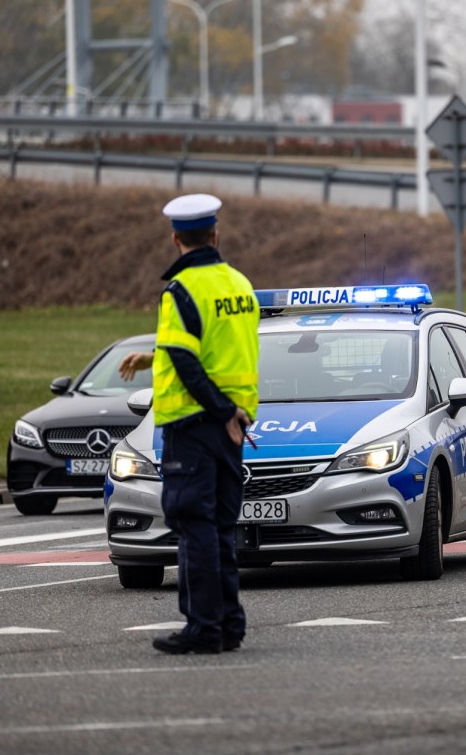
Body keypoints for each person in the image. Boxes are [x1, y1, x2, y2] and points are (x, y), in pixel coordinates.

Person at [118, 193, 260, 653]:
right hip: (234, 426)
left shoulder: (180, 291)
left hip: (196, 426)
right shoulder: (239, 283)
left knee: (194, 525)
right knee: (219, 525)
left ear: (176, 238)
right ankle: (229, 625)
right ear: (215, 235)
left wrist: (218, 410)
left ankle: (203, 627)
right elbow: (218, 350)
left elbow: (186, 358)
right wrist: (231, 413)